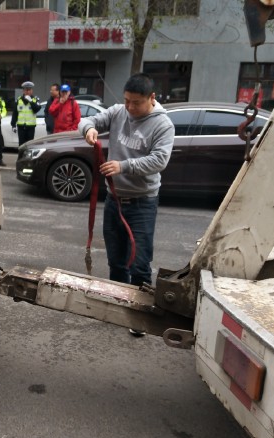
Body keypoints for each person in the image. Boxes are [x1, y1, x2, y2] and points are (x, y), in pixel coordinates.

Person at [78, 73, 174, 337]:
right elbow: (86, 119)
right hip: (114, 200)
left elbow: (159, 160)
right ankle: (119, 309)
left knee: (140, 263)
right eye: (127, 101)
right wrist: (89, 129)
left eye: (137, 102)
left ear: (152, 98)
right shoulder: (119, 112)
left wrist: (124, 166)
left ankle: (141, 316)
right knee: (116, 261)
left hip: (143, 203)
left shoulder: (163, 125)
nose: (130, 108)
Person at [11, 80, 41, 146]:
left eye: (29, 90)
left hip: (31, 127)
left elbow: (37, 109)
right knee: (21, 145)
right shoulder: (18, 100)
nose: (27, 92)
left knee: (30, 145)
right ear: (23, 91)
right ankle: (21, 156)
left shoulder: (35, 99)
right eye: (26, 90)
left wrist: (31, 101)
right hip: (21, 126)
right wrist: (13, 125)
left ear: (31, 91)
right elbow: (15, 113)